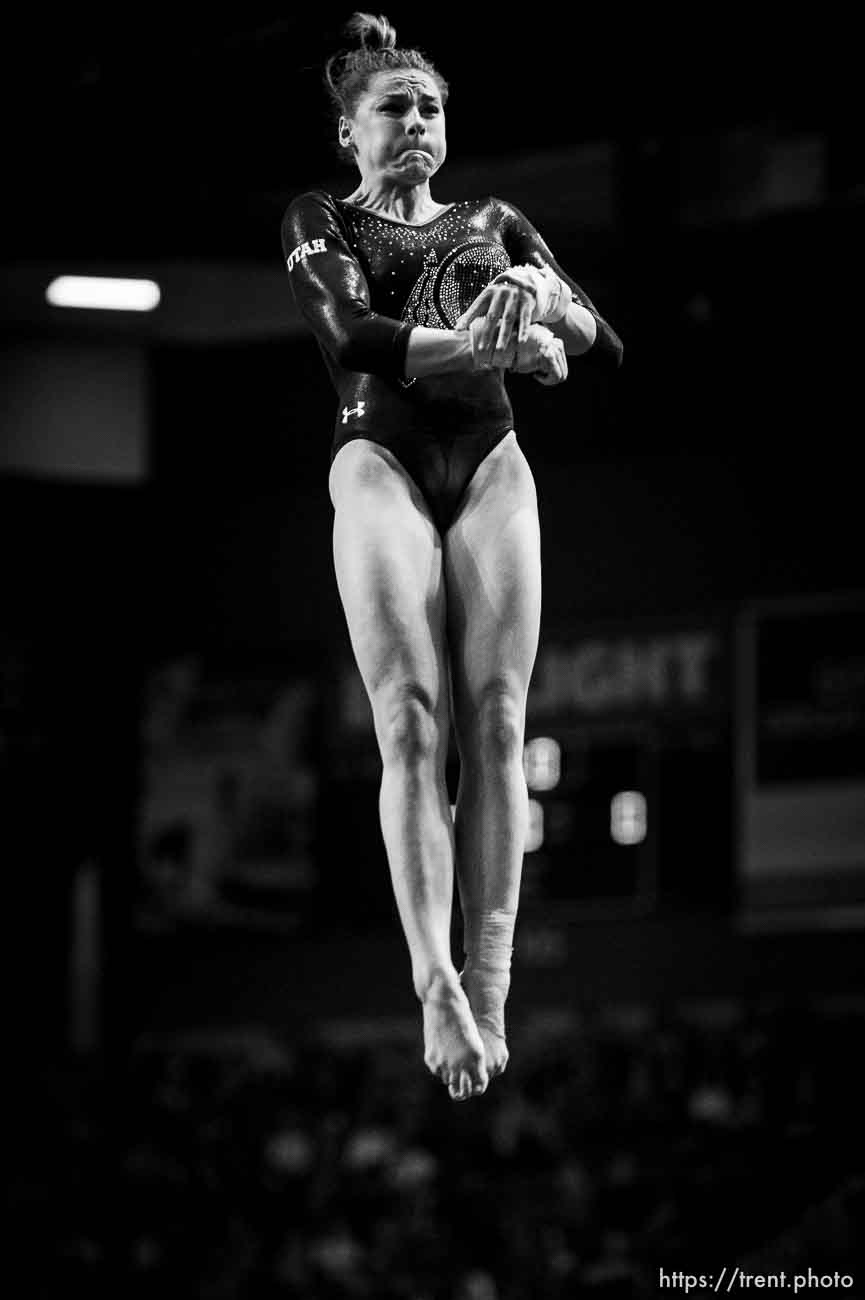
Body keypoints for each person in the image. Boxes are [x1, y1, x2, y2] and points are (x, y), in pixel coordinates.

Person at [281, 12, 622, 1102]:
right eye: (395, 108)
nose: (419, 123)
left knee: (501, 723)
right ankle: (430, 977)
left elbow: (598, 342)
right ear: (351, 131)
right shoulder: (318, 217)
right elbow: (354, 339)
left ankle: (490, 981)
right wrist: (483, 337)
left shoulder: (493, 219)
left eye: (431, 107)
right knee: (410, 720)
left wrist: (542, 304)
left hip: (489, 459)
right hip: (378, 454)